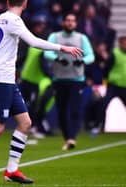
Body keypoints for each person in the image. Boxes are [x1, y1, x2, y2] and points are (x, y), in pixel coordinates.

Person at [0, 0, 82, 185]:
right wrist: (62, 48)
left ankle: (12, 170)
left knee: (25, 123)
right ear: (25, 3)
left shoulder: (0, 19)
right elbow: (33, 41)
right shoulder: (14, 20)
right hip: (2, 79)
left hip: (5, 80)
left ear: (7, 2)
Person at [44, 12, 94, 150]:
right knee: (61, 111)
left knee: (75, 110)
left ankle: (72, 137)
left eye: (72, 20)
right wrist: (58, 58)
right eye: (67, 20)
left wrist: (82, 61)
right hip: (59, 79)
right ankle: (67, 138)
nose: (70, 23)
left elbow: (91, 56)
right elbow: (47, 52)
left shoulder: (81, 38)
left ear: (76, 23)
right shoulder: (55, 36)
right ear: (63, 22)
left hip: (77, 80)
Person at [98, 35, 126, 130]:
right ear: (120, 43)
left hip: (125, 86)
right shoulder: (115, 54)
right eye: (123, 42)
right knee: (104, 104)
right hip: (113, 85)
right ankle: (99, 125)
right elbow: (106, 68)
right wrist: (106, 80)